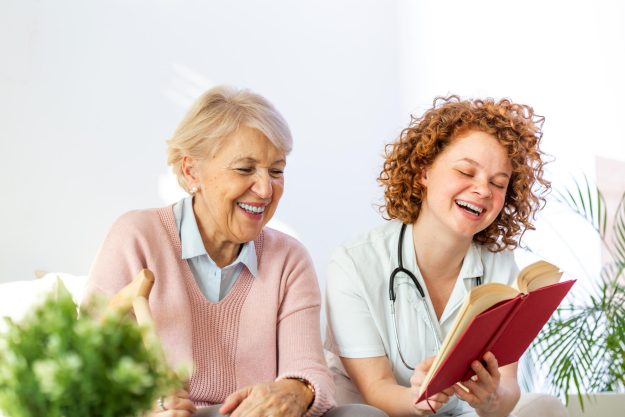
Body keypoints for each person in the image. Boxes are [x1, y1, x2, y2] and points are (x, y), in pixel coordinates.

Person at [85, 86, 386, 417]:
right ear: (190, 171)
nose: (265, 189)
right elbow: (86, 371)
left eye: (276, 170)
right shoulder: (137, 237)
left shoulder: (289, 260)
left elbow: (311, 371)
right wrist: (148, 407)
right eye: (245, 169)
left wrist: (295, 389)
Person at [324, 96, 562, 417]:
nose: (483, 190)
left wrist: (490, 398)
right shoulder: (355, 264)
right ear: (424, 172)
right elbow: (376, 388)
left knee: (544, 407)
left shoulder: (499, 265)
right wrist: (421, 399)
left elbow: (507, 387)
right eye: (466, 172)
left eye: (498, 183)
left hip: (456, 413)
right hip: (378, 411)